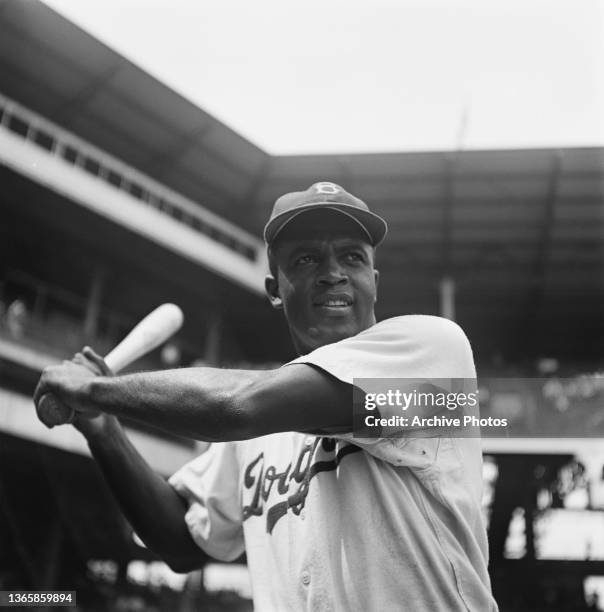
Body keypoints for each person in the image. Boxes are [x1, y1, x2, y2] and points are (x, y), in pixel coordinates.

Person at [34, 181, 498, 611]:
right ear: (276, 292)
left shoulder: (434, 354)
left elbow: (237, 407)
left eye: (352, 258)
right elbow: (179, 540)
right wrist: (103, 429)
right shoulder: (259, 431)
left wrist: (95, 390)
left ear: (375, 279)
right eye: (306, 259)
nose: (333, 273)